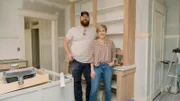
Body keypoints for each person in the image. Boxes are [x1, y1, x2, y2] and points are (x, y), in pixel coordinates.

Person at [64, 11, 97, 101]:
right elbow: (65, 42)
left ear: (89, 18)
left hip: (89, 62)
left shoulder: (94, 30)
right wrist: (69, 53)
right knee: (77, 82)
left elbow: (99, 42)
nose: (85, 18)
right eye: (83, 17)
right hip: (76, 61)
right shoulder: (73, 30)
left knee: (90, 82)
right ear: (80, 18)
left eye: (87, 17)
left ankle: (88, 99)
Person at [88, 24, 116, 101]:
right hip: (97, 67)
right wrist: (92, 70)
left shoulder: (110, 42)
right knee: (94, 90)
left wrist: (113, 62)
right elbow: (91, 57)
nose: (101, 32)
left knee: (108, 89)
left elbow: (114, 52)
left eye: (103, 30)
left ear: (106, 32)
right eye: (100, 31)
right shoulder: (93, 43)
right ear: (97, 32)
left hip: (107, 67)